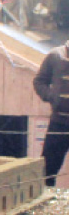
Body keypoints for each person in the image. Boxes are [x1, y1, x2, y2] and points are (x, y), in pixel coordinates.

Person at [34, 40, 69, 187]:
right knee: (48, 166)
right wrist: (52, 97)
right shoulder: (55, 56)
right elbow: (39, 81)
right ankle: (46, 197)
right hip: (59, 121)